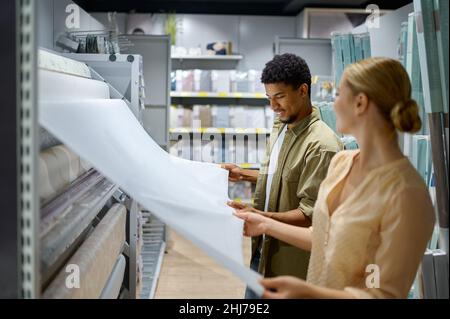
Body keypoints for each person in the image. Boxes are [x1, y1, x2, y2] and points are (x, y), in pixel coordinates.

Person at [234, 57, 436, 299]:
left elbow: (383, 293)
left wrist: (310, 293)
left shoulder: (406, 193)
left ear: (360, 103)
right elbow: (323, 237)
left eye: (339, 95)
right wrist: (264, 223)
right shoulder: (343, 164)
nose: (333, 103)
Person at [222, 53, 343, 298]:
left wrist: (261, 217)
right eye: (269, 98)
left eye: (279, 97)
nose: (273, 107)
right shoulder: (282, 126)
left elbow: (310, 216)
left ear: (303, 90)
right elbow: (282, 176)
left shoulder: (322, 146)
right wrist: (243, 174)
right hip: (263, 248)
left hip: (290, 261)